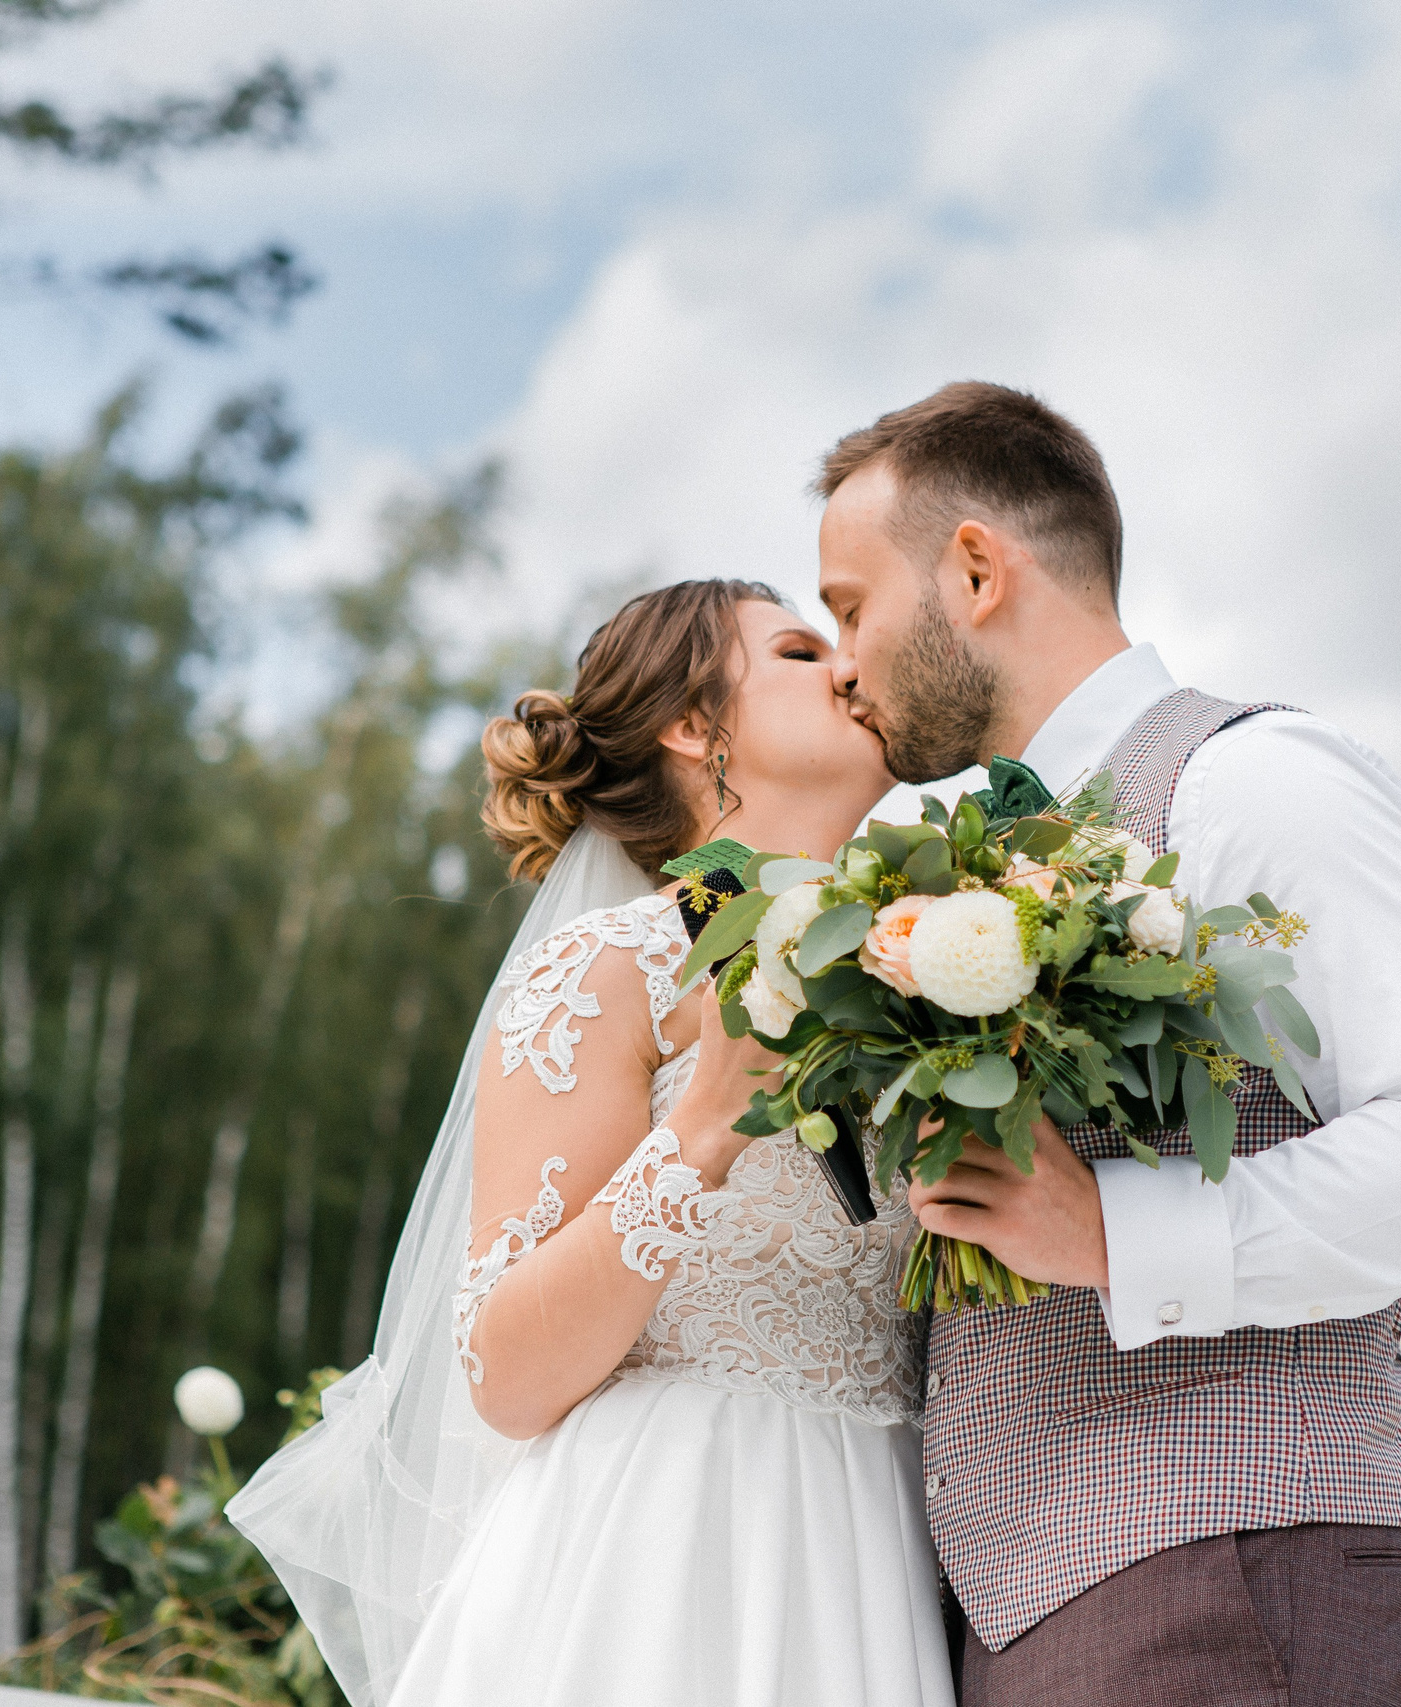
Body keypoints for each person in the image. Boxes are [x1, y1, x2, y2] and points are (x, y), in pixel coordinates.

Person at [813, 382, 1401, 1707]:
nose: (845, 667)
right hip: (1043, 1619)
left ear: (977, 568)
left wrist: (1110, 1226)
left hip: (1232, 1585)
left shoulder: (1253, 780)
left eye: (851, 607)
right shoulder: (962, 882)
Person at [229, 579, 955, 1707]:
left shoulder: (930, 975)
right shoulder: (610, 970)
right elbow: (505, 1372)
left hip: (879, 1544)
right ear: (692, 726)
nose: (853, 669)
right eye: (803, 653)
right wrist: (704, 1124)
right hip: (660, 1550)